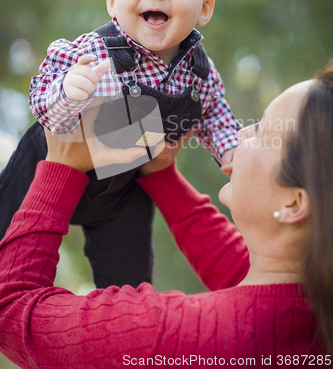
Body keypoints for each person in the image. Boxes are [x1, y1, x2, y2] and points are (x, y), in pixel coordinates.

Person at [0, 64, 332, 369]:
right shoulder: (317, 317)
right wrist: (161, 175)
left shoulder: (172, 336)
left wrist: (62, 166)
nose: (241, 134)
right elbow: (237, 270)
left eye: (260, 132)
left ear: (293, 204)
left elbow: (10, 309)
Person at [0, 0, 240, 288]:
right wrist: (69, 91)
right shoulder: (91, 52)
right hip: (46, 169)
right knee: (7, 237)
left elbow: (215, 114)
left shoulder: (199, 74)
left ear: (204, 9)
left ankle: (127, 333)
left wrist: (230, 149)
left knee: (129, 284)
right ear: (112, 0)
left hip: (124, 188)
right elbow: (46, 114)